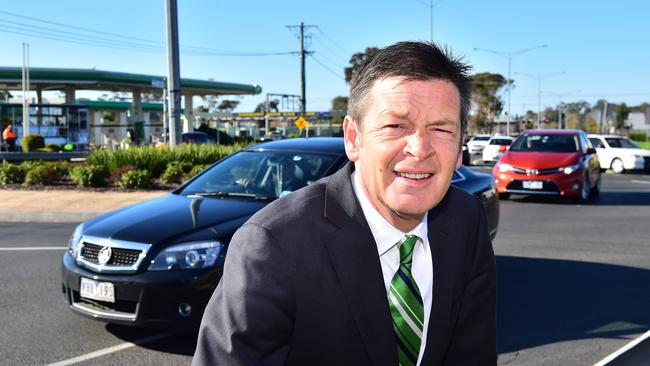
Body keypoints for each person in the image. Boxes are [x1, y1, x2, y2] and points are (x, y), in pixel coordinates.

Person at [193, 41, 497, 366]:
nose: (419, 149)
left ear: (460, 146)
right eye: (396, 126)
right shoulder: (273, 244)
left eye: (440, 128)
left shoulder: (466, 219)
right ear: (353, 139)